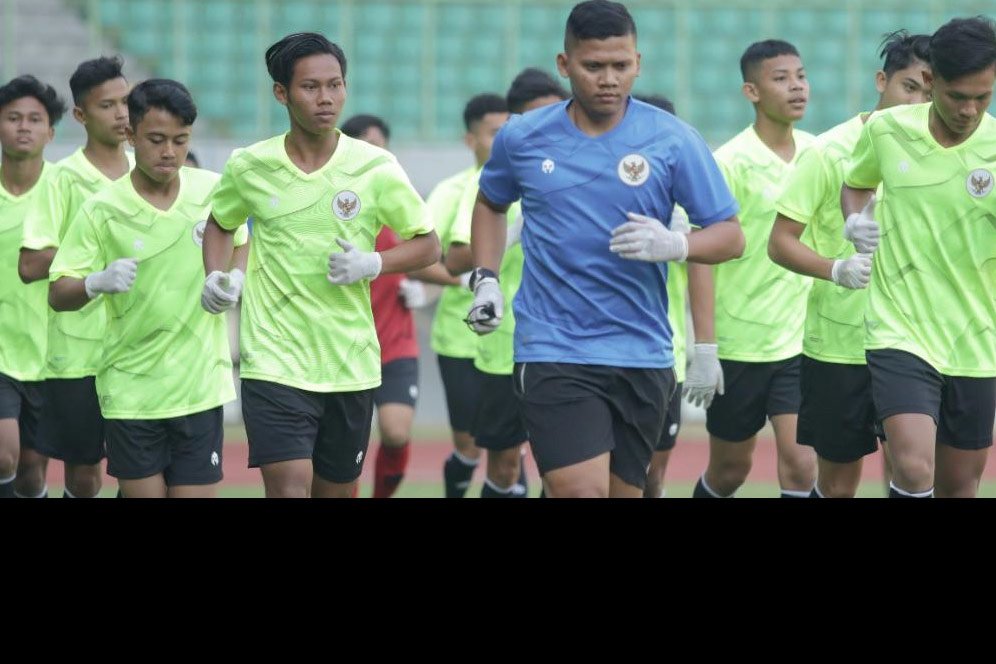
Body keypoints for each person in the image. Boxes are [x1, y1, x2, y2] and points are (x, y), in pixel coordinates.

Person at [467, 0, 744, 498]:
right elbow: (490, 204)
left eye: (621, 65)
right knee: (580, 491)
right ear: (565, 64)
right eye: (593, 66)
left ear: (638, 62)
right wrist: (485, 279)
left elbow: (729, 234)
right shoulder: (523, 138)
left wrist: (676, 243)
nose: (608, 79)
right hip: (554, 347)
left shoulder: (674, 140)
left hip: (643, 351)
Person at [202, 32, 440, 498]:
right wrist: (215, 274)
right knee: (289, 489)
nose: (326, 98)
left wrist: (375, 261)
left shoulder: (375, 167)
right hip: (273, 360)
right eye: (311, 87)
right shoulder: (249, 165)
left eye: (335, 85)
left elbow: (428, 245)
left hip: (349, 362)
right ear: (281, 93)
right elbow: (219, 224)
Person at [48, 79, 248, 498]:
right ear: (131, 134)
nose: (169, 152)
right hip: (131, 389)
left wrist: (234, 278)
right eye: (156, 140)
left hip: (199, 388)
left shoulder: (212, 190)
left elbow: (241, 241)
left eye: (180, 140)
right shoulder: (103, 208)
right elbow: (58, 291)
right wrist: (95, 282)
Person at [768, 31, 931, 497]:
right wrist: (835, 269)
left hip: (916, 340)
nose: (917, 102)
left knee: (914, 470)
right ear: (882, 81)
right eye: (909, 87)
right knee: (838, 483)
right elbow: (779, 242)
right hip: (840, 344)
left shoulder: (940, 156)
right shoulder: (828, 151)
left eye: (929, 93)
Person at [841, 16, 996, 498]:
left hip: (976, 337)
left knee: (958, 487)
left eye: (983, 96)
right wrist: (855, 221)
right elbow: (856, 183)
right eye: (957, 96)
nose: (969, 109)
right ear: (931, 82)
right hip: (899, 328)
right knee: (910, 466)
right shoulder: (887, 130)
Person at [692, 39, 817, 499]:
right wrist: (704, 346)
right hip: (740, 344)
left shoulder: (817, 154)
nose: (797, 87)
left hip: (800, 341)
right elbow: (702, 254)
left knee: (803, 463)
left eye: (801, 76)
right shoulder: (728, 162)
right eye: (781, 79)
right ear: (752, 92)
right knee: (730, 471)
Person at [445, 68, 569, 497]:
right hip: (505, 347)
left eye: (557, 114)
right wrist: (505, 240)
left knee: (567, 466)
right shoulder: (494, 181)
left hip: (572, 343)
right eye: (536, 117)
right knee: (503, 464)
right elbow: (456, 254)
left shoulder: (588, 169)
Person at [17, 56, 133, 498]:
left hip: (143, 349)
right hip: (79, 355)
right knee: (85, 477)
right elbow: (30, 264)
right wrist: (93, 264)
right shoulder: (61, 179)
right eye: (108, 106)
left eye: (127, 102)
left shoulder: (151, 170)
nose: (122, 114)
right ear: (81, 115)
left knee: (142, 472)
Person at [340, 112, 456, 498]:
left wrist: (442, 285)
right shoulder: (337, 207)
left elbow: (427, 255)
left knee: (395, 431)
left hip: (394, 345)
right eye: (369, 146)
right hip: (342, 347)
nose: (377, 154)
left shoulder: (399, 204)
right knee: (342, 449)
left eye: (382, 147)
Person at [435, 93, 511, 497]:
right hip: (460, 338)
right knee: (469, 445)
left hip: (514, 339)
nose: (501, 142)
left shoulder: (529, 183)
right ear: (471, 139)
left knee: (509, 449)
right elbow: (429, 258)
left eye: (507, 132)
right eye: (493, 133)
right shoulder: (453, 191)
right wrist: (464, 279)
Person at [0, 75, 66, 498]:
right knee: (3, 454)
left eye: (34, 119)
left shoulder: (67, 187)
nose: (23, 126)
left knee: (29, 471)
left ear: (50, 131)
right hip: (1, 351)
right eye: (12, 117)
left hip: (50, 352)